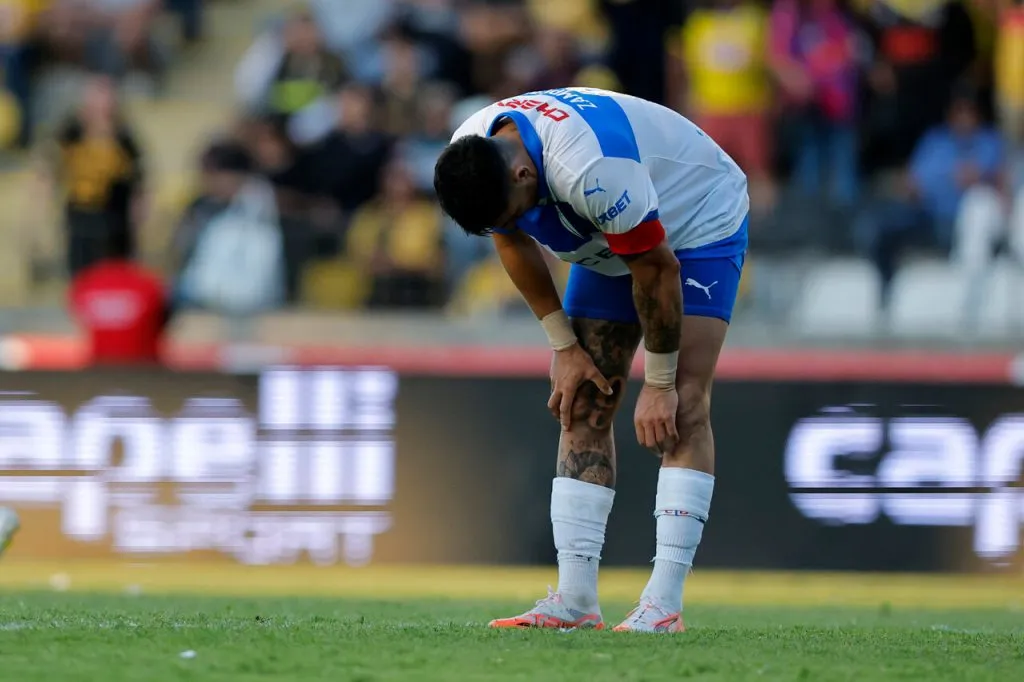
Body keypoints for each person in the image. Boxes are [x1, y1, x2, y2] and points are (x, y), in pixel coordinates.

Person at [434, 87, 748, 633]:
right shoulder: (475, 149)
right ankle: (575, 602)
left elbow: (656, 269)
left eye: (512, 212)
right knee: (581, 401)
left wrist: (660, 381)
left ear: (523, 177)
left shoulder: (592, 167)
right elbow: (510, 241)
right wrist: (564, 347)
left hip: (694, 221)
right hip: (606, 234)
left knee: (684, 406)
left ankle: (664, 605)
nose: (511, 225)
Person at [68, 229, 169, 365]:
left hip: (99, 367)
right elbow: (163, 318)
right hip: (145, 367)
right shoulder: (147, 282)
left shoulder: (85, 283)